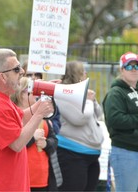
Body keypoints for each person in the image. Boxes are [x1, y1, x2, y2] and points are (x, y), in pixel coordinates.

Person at [0, 48, 54, 191]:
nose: (22, 72)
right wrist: (39, 114)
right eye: (16, 69)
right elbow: (17, 143)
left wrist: (39, 105)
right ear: (3, 77)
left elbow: (18, 118)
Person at [102, 52, 138, 192]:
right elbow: (115, 120)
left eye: (137, 66)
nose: (134, 69)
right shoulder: (116, 93)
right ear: (122, 70)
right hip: (127, 153)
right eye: (129, 66)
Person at [56, 60, 104, 191]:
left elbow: (98, 114)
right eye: (83, 71)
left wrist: (93, 101)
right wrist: (88, 101)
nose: (86, 74)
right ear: (75, 74)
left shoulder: (82, 92)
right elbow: (79, 118)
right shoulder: (62, 94)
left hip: (92, 155)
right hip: (72, 155)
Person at [11, 77, 59, 191]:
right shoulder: (13, 114)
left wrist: (46, 144)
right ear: (20, 94)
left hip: (43, 179)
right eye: (31, 90)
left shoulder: (41, 113)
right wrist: (32, 138)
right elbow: (14, 145)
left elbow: (54, 141)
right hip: (24, 178)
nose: (35, 94)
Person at [22, 61, 61, 134]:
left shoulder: (48, 97)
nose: (34, 77)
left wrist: (50, 127)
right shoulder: (19, 96)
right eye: (29, 75)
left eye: (37, 74)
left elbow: (56, 125)